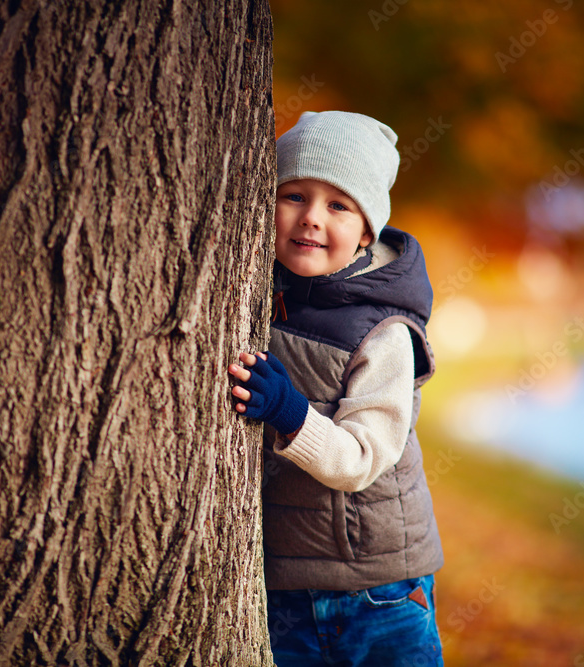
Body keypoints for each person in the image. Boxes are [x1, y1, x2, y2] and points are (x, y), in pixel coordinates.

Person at [227, 110, 444, 667]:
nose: (311, 219)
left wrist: (290, 412)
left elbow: (363, 457)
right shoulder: (260, 291)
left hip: (379, 591)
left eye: (338, 205)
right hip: (283, 587)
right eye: (294, 195)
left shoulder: (386, 332)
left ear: (367, 230)